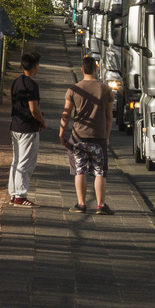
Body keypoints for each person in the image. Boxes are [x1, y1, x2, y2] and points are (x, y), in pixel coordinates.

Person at [59, 54, 114, 214]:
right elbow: (109, 116)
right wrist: (107, 136)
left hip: (78, 137)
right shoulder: (106, 89)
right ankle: (101, 205)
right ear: (96, 69)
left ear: (82, 70)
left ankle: (81, 204)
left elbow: (66, 113)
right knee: (100, 171)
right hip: (98, 138)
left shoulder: (73, 89)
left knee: (80, 170)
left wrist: (62, 133)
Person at [8, 51, 46, 207]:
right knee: (26, 162)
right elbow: (33, 109)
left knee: (16, 161)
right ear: (34, 66)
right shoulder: (32, 85)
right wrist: (42, 121)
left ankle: (13, 192)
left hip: (15, 125)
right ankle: (20, 195)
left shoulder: (16, 82)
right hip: (28, 128)